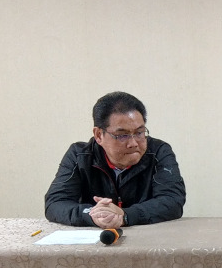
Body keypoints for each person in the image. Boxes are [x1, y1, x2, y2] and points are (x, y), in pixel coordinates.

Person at [44, 92, 186, 228]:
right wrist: (92, 214)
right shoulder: (79, 155)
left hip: (148, 236)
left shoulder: (159, 151)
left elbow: (172, 201)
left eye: (139, 133)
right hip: (96, 237)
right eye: (122, 135)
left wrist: (125, 215)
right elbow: (55, 203)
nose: (133, 143)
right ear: (99, 135)